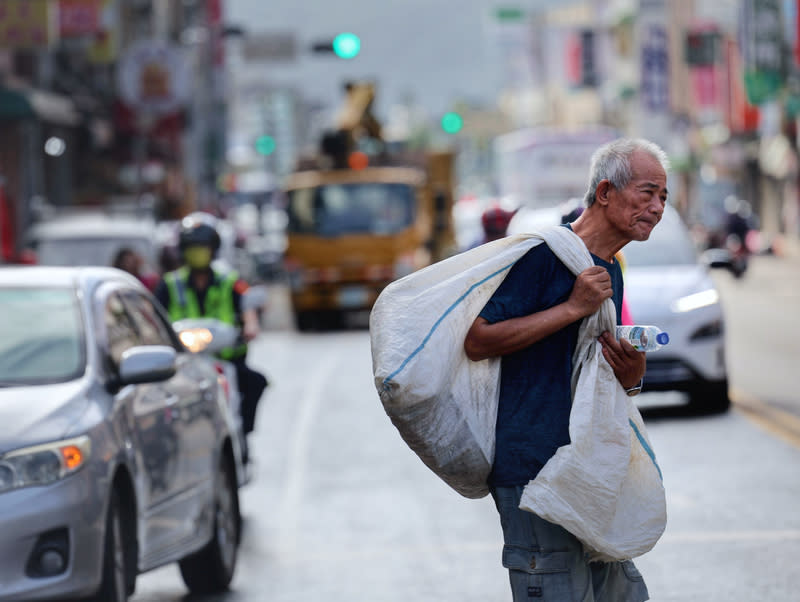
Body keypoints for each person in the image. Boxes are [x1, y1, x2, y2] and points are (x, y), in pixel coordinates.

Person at [464, 138, 668, 601]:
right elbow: (478, 339)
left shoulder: (609, 267)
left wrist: (631, 374)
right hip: (534, 469)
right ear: (604, 193)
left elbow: (591, 365)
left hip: (587, 468)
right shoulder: (545, 255)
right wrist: (572, 306)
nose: (657, 207)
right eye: (647, 192)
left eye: (663, 197)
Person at [153, 212, 268, 463]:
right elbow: (155, 319)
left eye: (202, 248)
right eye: (193, 248)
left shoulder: (230, 281)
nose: (198, 253)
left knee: (256, 382)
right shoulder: (170, 284)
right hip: (184, 365)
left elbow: (248, 307)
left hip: (226, 360)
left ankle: (243, 434)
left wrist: (250, 326)